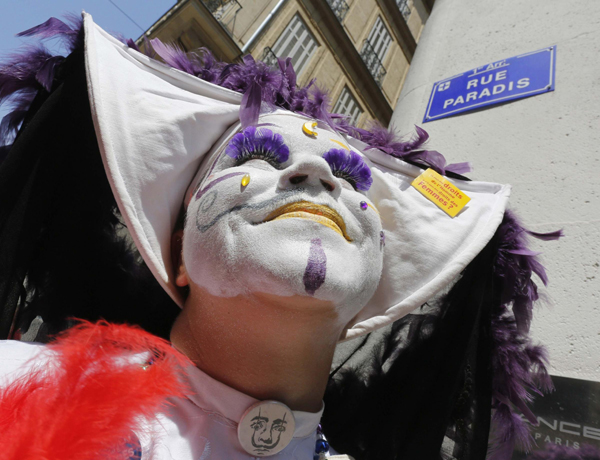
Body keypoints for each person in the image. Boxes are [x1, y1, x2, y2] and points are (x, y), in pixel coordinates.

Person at [0, 13, 559, 460]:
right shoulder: (17, 383)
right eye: (261, 153)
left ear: (373, 283)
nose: (316, 174)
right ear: (178, 257)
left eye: (351, 177)